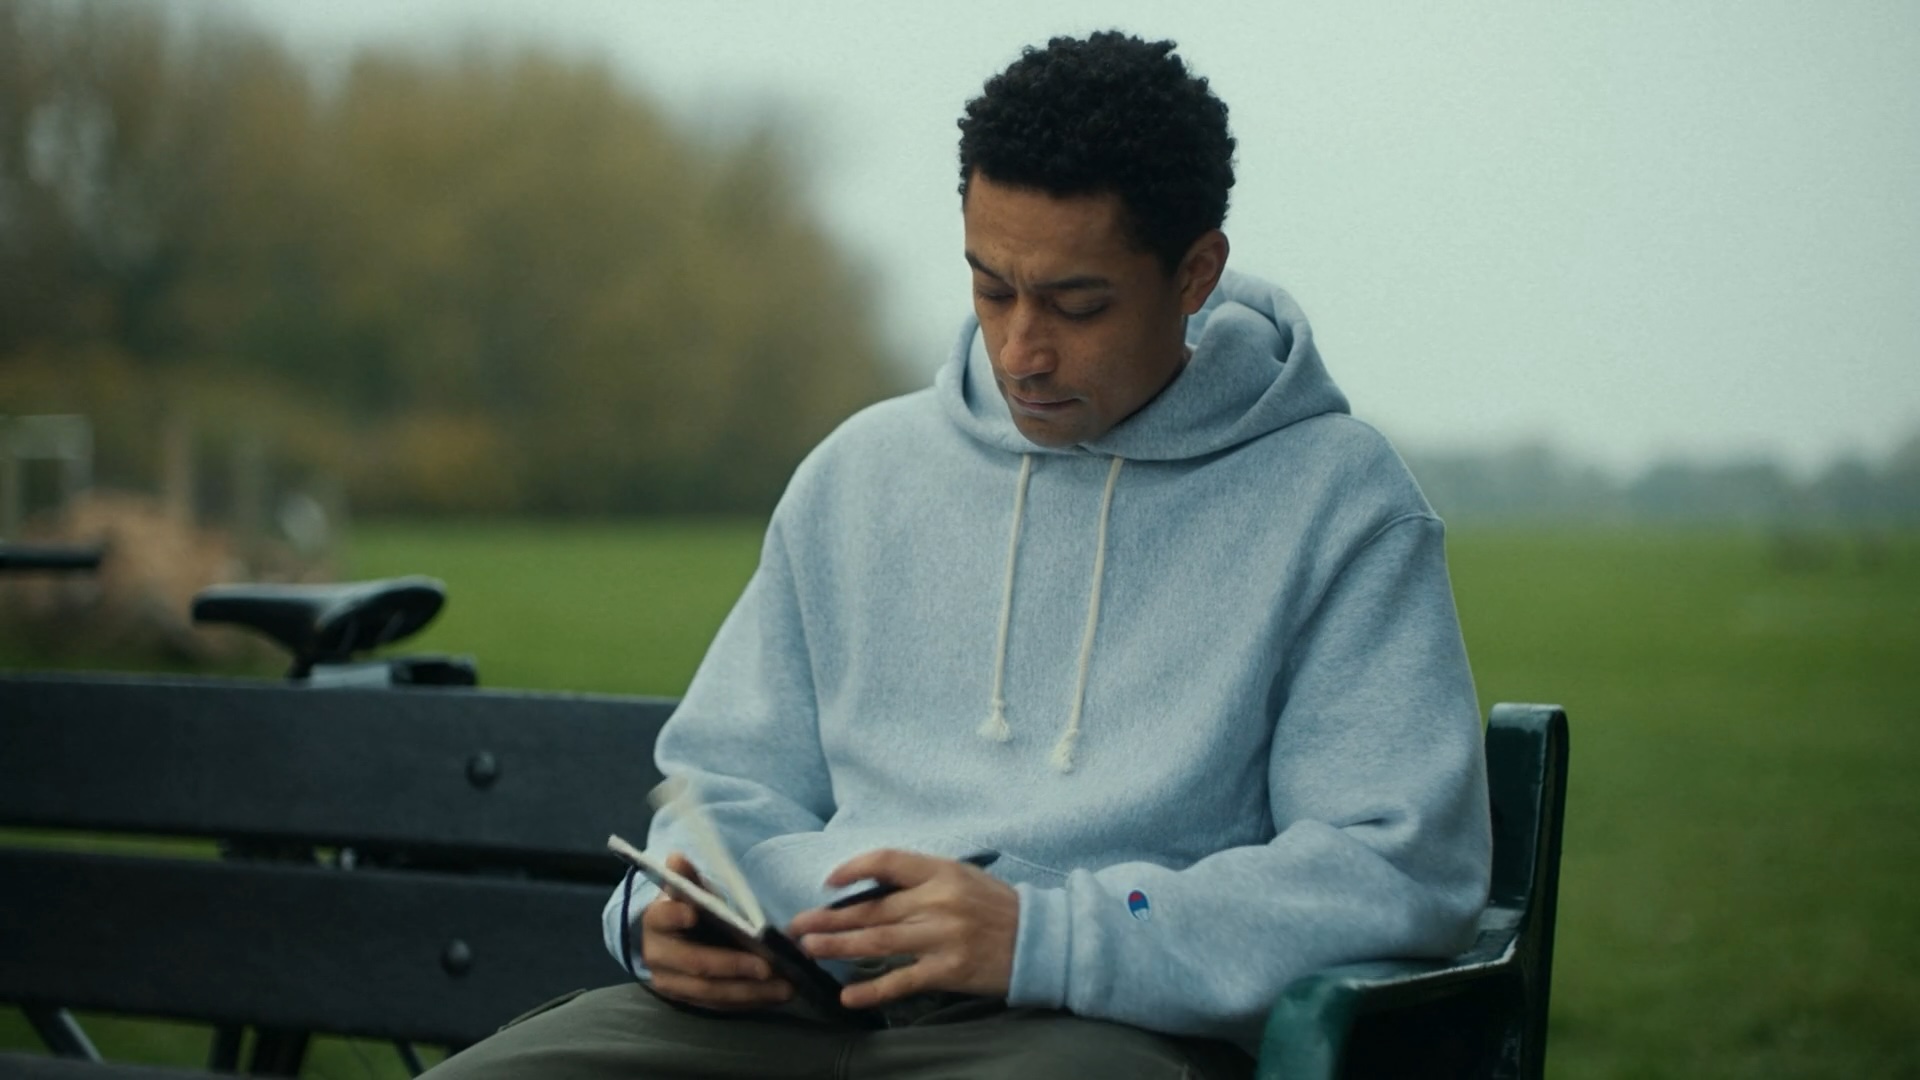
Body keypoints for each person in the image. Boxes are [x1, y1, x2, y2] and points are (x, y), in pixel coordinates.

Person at [429, 29, 1489, 1079]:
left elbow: (1390, 869)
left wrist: (1050, 938)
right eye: (991, 288)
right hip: (783, 1011)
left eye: (1078, 304)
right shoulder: (860, 471)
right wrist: (665, 910)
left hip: (1088, 1025)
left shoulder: (1335, 500)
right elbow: (724, 789)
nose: (1022, 350)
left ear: (1195, 273)